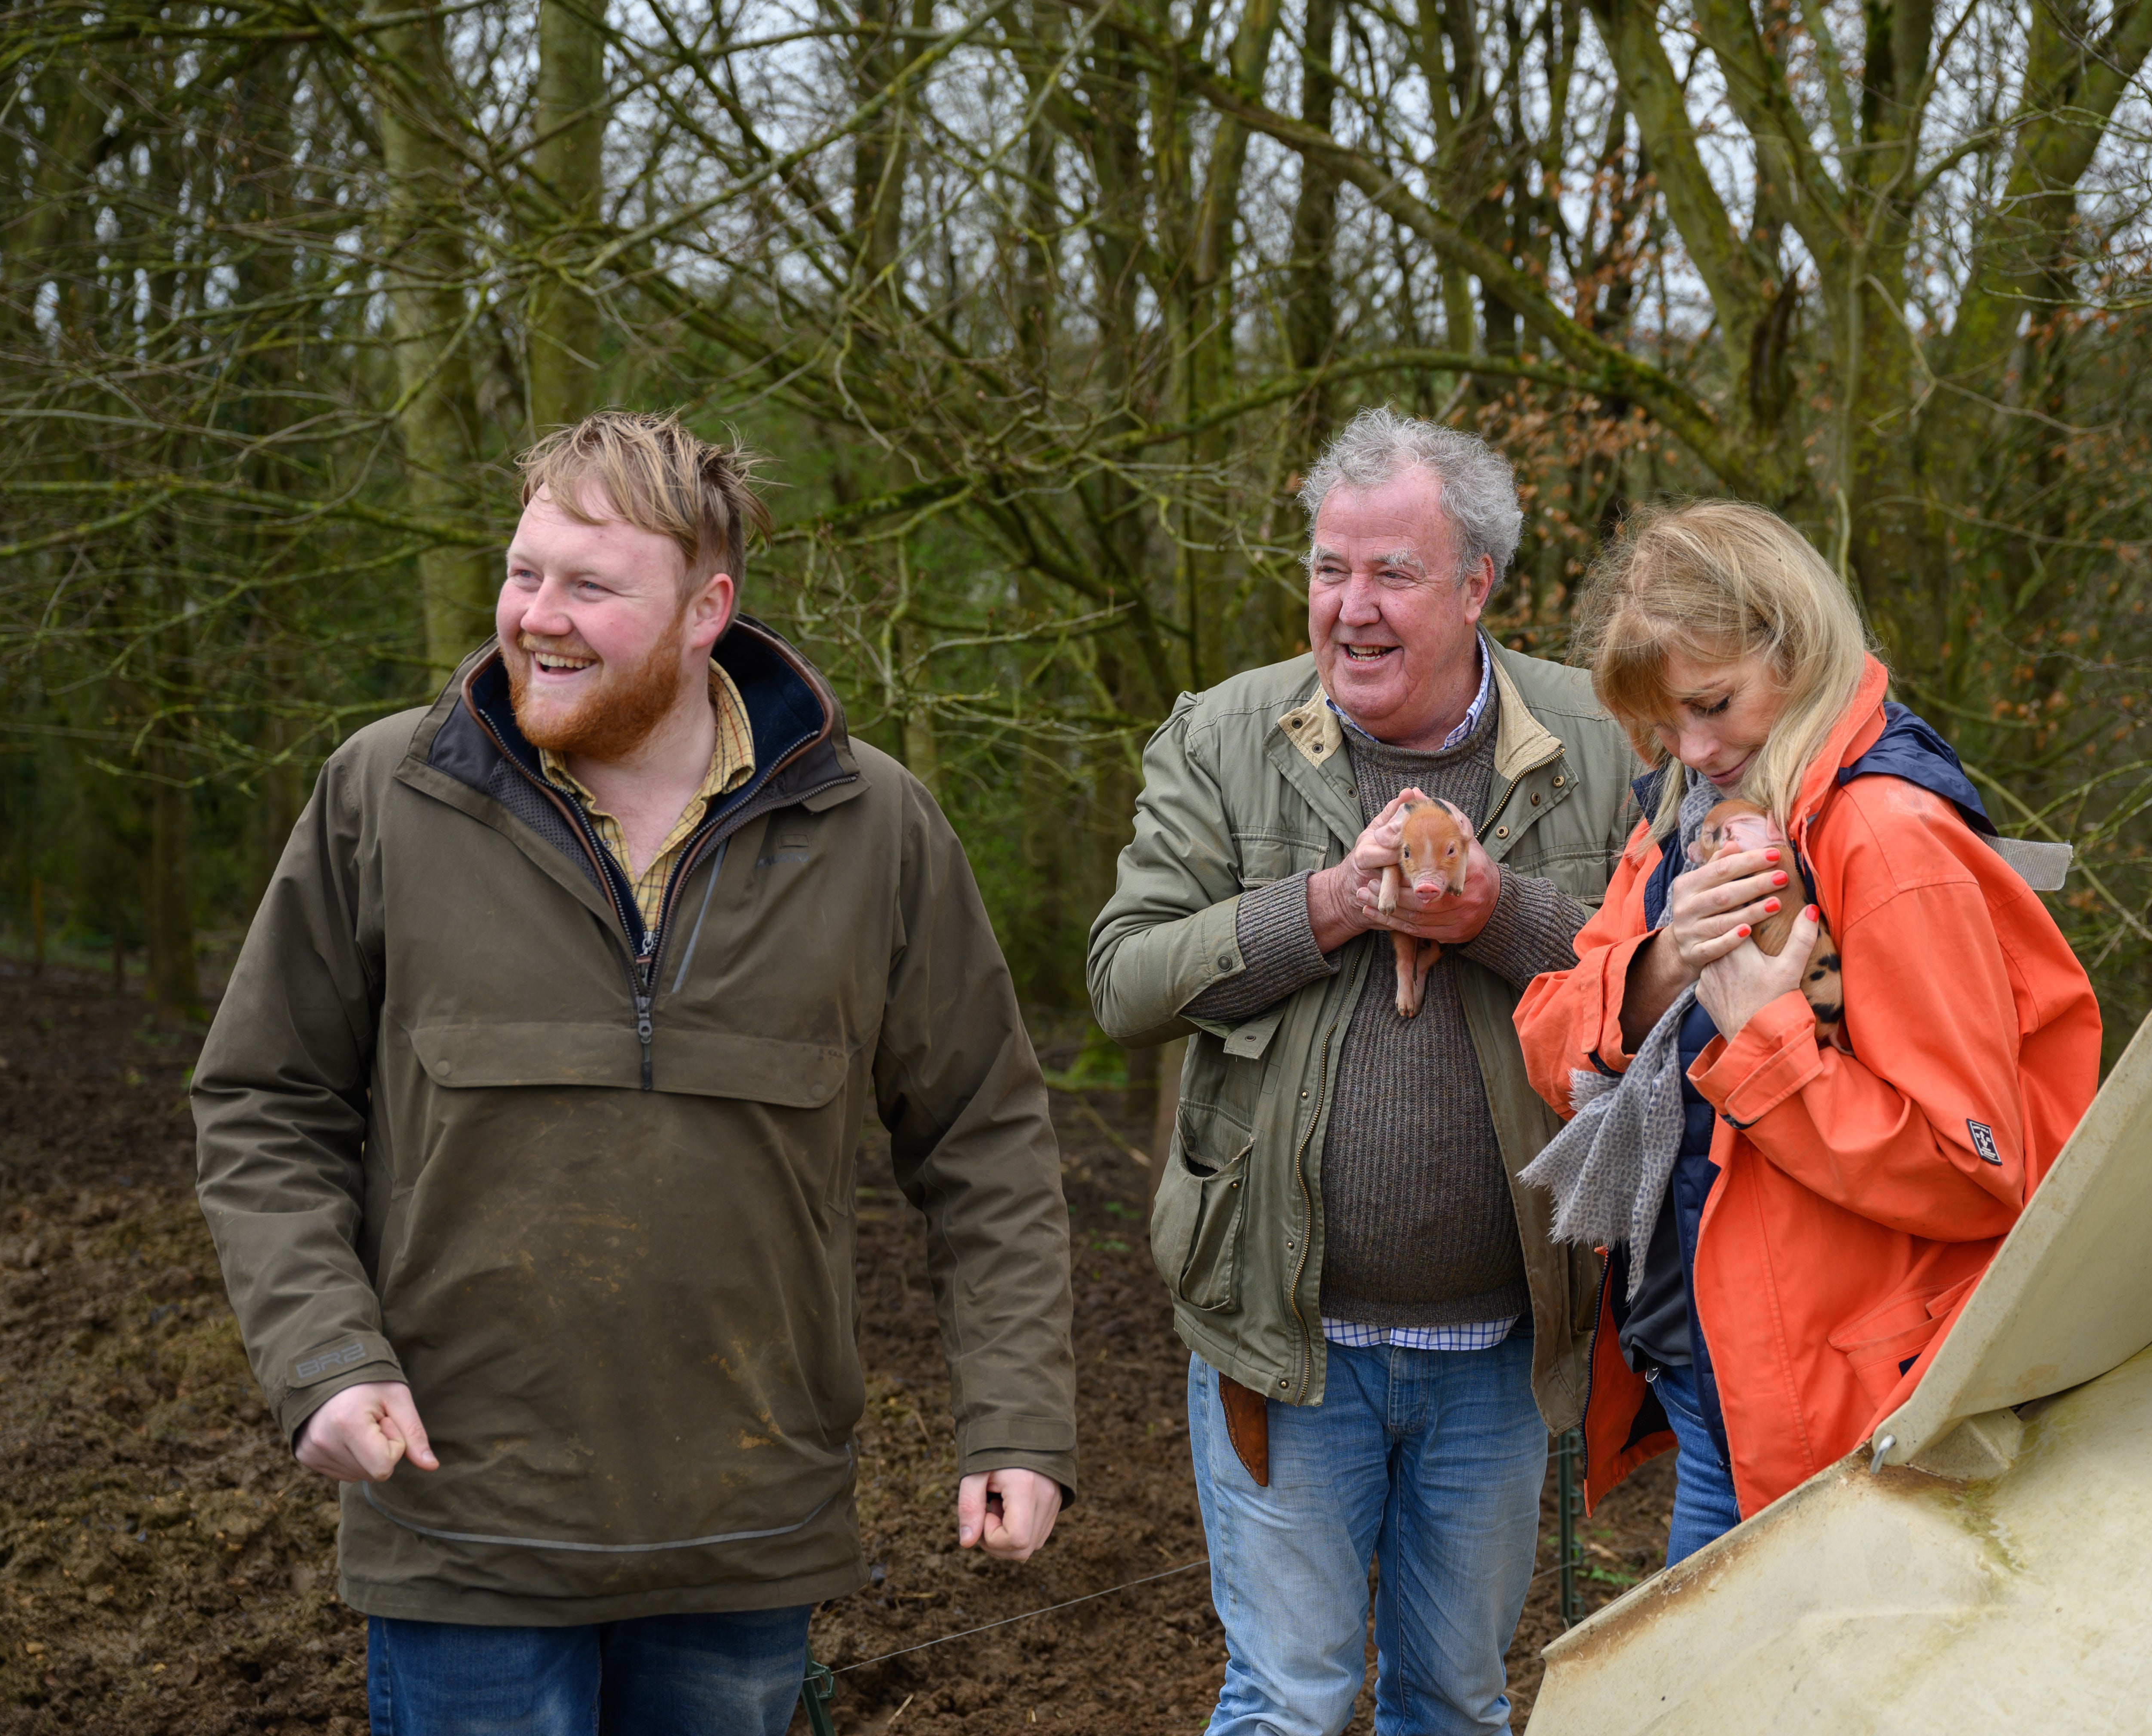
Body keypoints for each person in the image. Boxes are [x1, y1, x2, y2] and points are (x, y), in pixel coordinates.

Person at [191, 411, 1075, 1735]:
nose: (537, 617)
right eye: (524, 571)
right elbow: (265, 1099)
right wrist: (320, 1355)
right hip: (462, 1523)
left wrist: (1016, 1419)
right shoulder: (386, 795)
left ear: (706, 607)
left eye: (590, 587)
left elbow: (985, 1138)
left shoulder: (870, 824)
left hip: (748, 1528)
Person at [1087, 408, 1644, 1736]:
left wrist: (1499, 914)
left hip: (1502, 1347)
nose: (1352, 609)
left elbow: (1665, 975)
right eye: (1331, 569)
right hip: (1283, 1342)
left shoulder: (1601, 740)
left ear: (1476, 586)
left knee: (1453, 1703)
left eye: (1392, 574)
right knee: (1286, 1701)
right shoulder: (1226, 737)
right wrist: (1331, 903)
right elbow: (1124, 983)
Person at [1512, 500, 2101, 1564]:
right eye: (1664, 726)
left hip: (1847, 1414)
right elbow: (1551, 1035)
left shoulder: (1886, 836)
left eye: (1713, 703)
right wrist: (1662, 965)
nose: (1692, 747)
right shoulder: (1698, 810)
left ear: (1795, 646)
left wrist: (1768, 1041)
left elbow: (1979, 1169)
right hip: (1718, 1384)